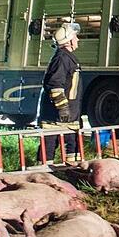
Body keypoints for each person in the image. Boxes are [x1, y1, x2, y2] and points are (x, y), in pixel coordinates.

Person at [39, 22, 82, 164]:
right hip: (56, 116)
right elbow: (55, 85)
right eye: (75, 37)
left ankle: (69, 173)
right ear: (69, 41)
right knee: (49, 148)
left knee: (72, 148)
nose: (78, 39)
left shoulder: (66, 58)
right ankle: (42, 177)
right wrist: (63, 108)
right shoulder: (62, 59)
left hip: (68, 117)